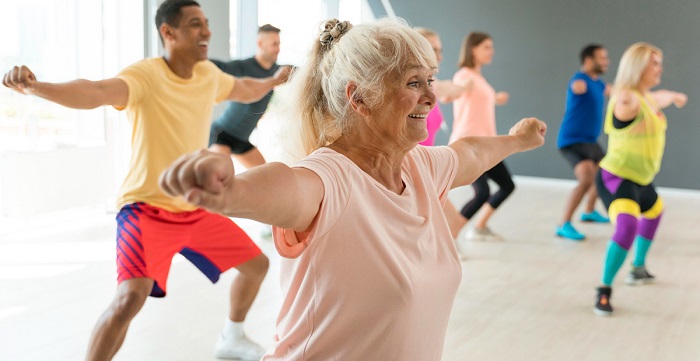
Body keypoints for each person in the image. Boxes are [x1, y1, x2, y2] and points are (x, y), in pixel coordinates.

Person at [160, 18, 546, 359]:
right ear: (358, 97)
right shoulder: (330, 179)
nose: (431, 96)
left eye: (430, 79)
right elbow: (285, 185)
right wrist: (226, 191)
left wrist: (519, 141)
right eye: (414, 82)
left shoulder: (421, 167)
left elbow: (471, 153)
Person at [2, 1, 290, 359]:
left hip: (194, 207)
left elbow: (245, 88)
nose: (206, 32)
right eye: (195, 24)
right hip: (144, 209)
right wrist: (37, 87)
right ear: (168, 33)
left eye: (206, 23)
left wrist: (274, 80)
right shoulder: (145, 76)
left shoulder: (208, 76)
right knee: (129, 298)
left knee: (257, 266)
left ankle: (231, 338)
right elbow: (94, 91)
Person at [592, 42, 687, 316]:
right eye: (653, 63)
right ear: (637, 67)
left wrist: (676, 96)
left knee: (655, 211)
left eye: (660, 62)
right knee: (627, 226)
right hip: (616, 177)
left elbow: (662, 97)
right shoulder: (629, 98)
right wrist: (622, 97)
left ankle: (637, 268)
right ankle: (604, 289)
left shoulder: (647, 97)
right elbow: (625, 100)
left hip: (642, 179)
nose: (660, 68)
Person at [448, 32, 513, 242]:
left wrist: (496, 98)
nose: (491, 51)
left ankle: (480, 226)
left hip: (487, 145)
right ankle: (450, 237)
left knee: (507, 185)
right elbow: (455, 92)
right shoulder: (464, 76)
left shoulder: (479, 78)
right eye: (486, 46)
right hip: (469, 146)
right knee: (482, 192)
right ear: (472, 49)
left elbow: (479, 101)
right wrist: (450, 92)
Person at [414, 27, 471, 241]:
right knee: (448, 222)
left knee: (446, 223)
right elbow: (449, 88)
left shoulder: (430, 87)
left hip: (426, 168)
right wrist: (467, 85)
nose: (439, 55)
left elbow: (449, 89)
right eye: (432, 48)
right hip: (413, 168)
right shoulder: (421, 85)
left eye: (440, 49)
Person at [209, 24, 288, 169]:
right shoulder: (242, 66)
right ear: (260, 44)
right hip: (222, 134)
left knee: (265, 175)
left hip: (241, 140)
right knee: (221, 172)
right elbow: (218, 66)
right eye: (274, 44)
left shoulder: (278, 71)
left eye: (279, 44)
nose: (278, 48)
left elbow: (301, 72)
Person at [556, 44, 611, 241]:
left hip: (590, 141)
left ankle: (588, 211)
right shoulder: (580, 80)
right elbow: (576, 86)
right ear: (589, 60)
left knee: (604, 174)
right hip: (571, 140)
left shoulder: (599, 83)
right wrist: (577, 88)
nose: (606, 62)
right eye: (602, 58)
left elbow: (614, 90)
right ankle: (563, 224)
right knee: (587, 179)